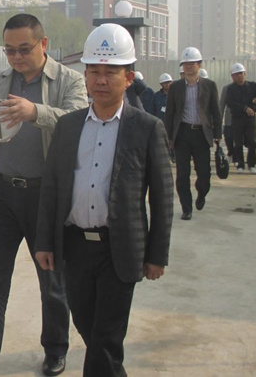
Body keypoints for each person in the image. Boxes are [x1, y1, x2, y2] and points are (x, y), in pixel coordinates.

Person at [0, 13, 88, 377]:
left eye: (24, 49)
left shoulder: (68, 80)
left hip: (46, 196)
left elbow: (78, 120)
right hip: (3, 192)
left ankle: (55, 349)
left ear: (43, 44)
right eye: (9, 50)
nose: (16, 57)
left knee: (52, 280)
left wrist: (34, 111)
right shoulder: (1, 80)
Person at [35, 23, 174, 377]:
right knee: (89, 328)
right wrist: (45, 242)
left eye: (110, 72)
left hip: (120, 249)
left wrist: (157, 254)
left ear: (128, 78)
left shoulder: (146, 128)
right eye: (93, 71)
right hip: (76, 247)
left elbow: (162, 198)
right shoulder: (68, 126)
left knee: (107, 337)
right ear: (84, 76)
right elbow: (52, 188)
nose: (100, 80)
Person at [164, 47, 221, 220]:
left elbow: (216, 112)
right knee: (182, 174)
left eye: (192, 63)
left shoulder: (209, 86)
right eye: (185, 64)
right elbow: (170, 113)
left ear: (199, 65)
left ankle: (201, 193)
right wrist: (169, 137)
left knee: (204, 173)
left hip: (201, 135)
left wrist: (218, 134)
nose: (188, 67)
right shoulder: (175, 87)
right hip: (182, 134)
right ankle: (186, 208)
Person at [226, 62, 256, 174]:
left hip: (250, 119)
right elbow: (230, 103)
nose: (239, 76)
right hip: (237, 119)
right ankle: (240, 165)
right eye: (237, 74)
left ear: (245, 74)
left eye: (241, 73)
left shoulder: (253, 86)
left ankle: (251, 165)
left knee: (252, 142)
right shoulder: (230, 89)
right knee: (238, 143)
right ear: (232, 76)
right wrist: (245, 108)